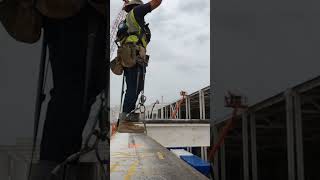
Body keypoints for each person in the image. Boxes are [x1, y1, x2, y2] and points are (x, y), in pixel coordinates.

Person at [1, 0, 106, 178]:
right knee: (72, 96)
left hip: (77, 13)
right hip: (74, 12)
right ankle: (54, 170)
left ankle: (55, 169)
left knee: (76, 95)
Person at [115, 0, 162, 133]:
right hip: (133, 55)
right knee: (133, 88)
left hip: (131, 56)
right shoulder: (136, 12)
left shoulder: (129, 19)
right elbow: (156, 2)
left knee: (135, 87)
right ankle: (125, 122)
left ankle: (126, 119)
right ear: (137, 6)